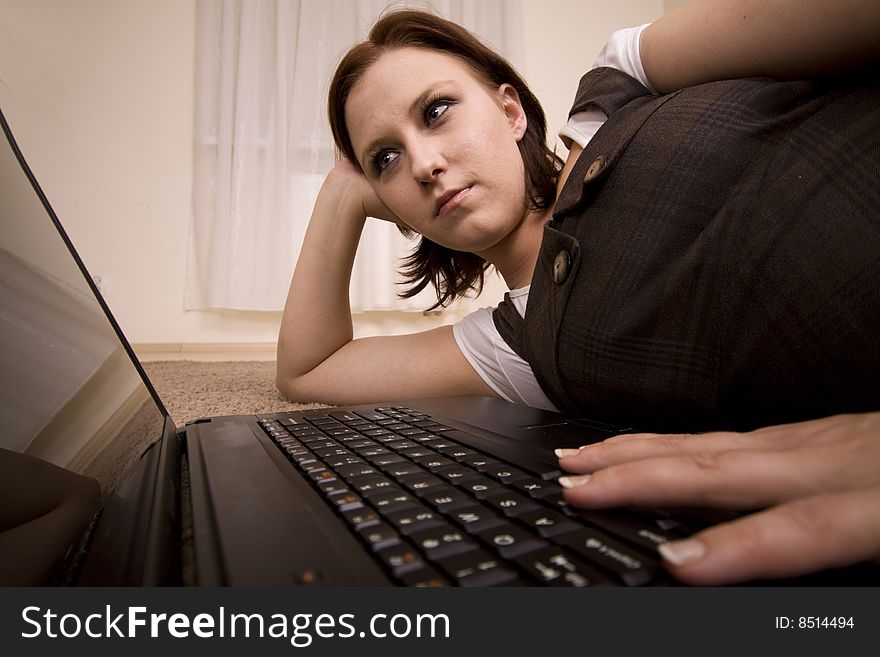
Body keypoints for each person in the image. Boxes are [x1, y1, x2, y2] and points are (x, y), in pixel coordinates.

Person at [276, 0, 880, 585]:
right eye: (385, 158)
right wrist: (341, 193)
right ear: (396, 209)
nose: (424, 163)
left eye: (436, 111)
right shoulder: (514, 347)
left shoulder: (623, 76)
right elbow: (308, 370)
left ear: (510, 111)